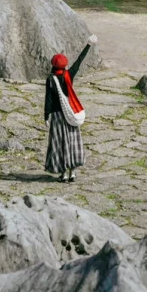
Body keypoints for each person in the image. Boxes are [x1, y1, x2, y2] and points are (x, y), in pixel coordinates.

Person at [44, 36, 97, 183]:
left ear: (53, 65)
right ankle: (73, 172)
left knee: (60, 144)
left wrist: (46, 116)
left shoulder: (50, 79)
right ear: (65, 65)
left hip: (57, 116)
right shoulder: (69, 75)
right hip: (70, 114)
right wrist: (88, 45)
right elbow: (79, 62)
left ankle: (64, 173)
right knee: (73, 142)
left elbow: (48, 99)